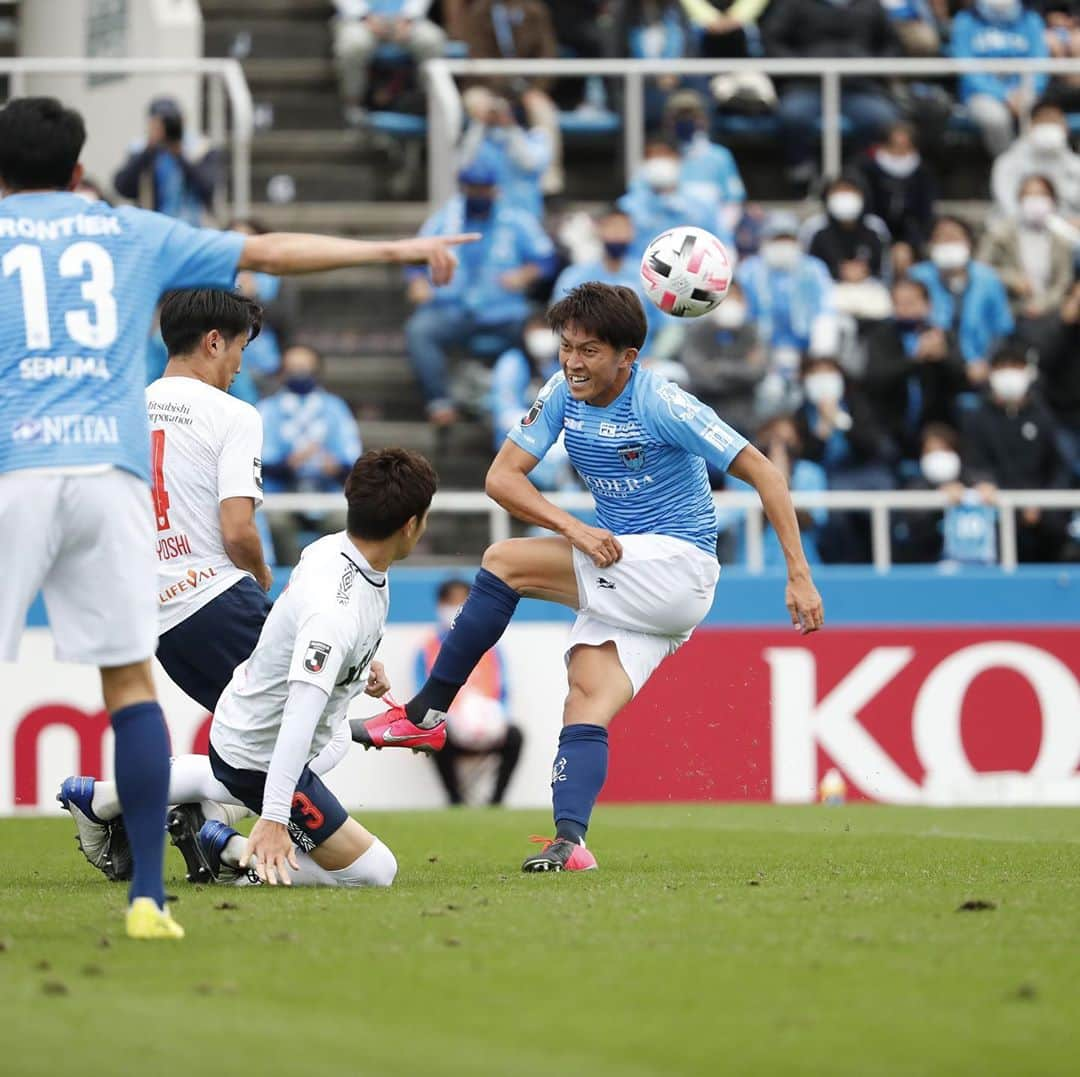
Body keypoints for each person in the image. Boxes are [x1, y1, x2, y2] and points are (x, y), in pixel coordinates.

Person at [0, 94, 474, 939]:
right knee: (231, 732)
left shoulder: (139, 397)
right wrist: (399, 246)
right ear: (78, 173)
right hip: (195, 580)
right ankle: (156, 863)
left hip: (60, 506)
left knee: (261, 737)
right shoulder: (130, 239)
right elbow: (272, 250)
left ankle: (150, 812)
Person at [354, 282, 824, 872]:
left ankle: (424, 715)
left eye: (590, 351)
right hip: (628, 572)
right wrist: (575, 529)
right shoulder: (561, 393)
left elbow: (764, 473)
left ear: (629, 357)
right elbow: (502, 479)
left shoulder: (663, 404)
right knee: (584, 699)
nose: (573, 362)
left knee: (504, 562)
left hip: (677, 566)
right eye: (566, 346)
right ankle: (570, 841)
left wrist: (798, 575)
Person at [174, 449, 440, 888]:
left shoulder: (334, 550)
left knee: (335, 738)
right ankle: (233, 857)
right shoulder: (335, 615)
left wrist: (359, 665)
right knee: (376, 871)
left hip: (250, 725)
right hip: (260, 755)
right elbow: (299, 712)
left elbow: (311, 629)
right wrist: (277, 818)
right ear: (410, 524)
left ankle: (105, 798)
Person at [405, 160, 556, 426]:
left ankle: (546, 398)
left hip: (505, 312)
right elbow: (415, 257)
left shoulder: (515, 219)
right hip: (452, 309)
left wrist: (525, 274)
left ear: (494, 189)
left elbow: (547, 259)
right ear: (463, 188)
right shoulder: (445, 220)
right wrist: (417, 282)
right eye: (473, 188)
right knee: (420, 330)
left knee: (540, 333)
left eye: (484, 188)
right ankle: (439, 402)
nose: (478, 194)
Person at [763, 0, 903, 186]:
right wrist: (801, 67)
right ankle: (802, 172)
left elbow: (891, 43)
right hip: (807, 85)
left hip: (859, 86)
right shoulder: (793, 4)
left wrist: (872, 67)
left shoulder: (870, 4)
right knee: (792, 115)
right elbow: (773, 40)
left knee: (882, 118)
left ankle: (858, 172)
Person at [418, 579, 525, 806]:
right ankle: (455, 800)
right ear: (440, 604)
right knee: (435, 738)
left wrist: (497, 716)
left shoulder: (490, 647)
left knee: (515, 735)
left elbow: (502, 689)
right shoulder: (428, 648)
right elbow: (423, 689)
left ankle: (496, 801)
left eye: (462, 600)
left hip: (487, 719)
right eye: (451, 600)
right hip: (451, 723)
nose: (456, 606)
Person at [961, 345, 1072, 562]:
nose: (1009, 374)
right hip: (997, 515)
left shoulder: (1044, 416)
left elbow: (1060, 467)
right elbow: (973, 464)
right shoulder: (977, 418)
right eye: (1003, 367)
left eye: (1016, 367)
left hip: (1045, 520)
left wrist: (1042, 503)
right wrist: (983, 483)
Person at [259, 345, 363, 566]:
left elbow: (351, 458)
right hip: (281, 496)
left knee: (346, 521)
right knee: (276, 523)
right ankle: (287, 583)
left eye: (305, 368)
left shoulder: (335, 408)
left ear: (316, 371)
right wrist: (289, 465)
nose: (299, 374)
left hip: (327, 494)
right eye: (293, 368)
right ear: (282, 372)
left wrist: (335, 468)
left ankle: (335, 583)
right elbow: (259, 461)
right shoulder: (267, 409)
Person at [862, 277, 968, 465]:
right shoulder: (881, 335)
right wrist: (915, 359)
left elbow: (962, 382)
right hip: (892, 428)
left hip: (933, 428)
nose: (904, 308)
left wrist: (943, 358)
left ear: (927, 304)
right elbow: (876, 378)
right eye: (899, 303)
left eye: (911, 302)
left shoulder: (942, 336)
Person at [909, 215, 1014, 384]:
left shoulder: (988, 278)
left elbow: (1001, 329)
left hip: (979, 365)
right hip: (931, 363)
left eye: (954, 238)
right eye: (941, 238)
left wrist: (986, 362)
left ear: (969, 243)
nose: (948, 243)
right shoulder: (917, 276)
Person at [977, 174, 1075, 351]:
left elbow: (1063, 281)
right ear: (1019, 199)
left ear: (1052, 200)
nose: (1036, 201)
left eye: (1042, 194)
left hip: (1050, 313)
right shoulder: (1000, 234)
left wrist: (1043, 305)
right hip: (1009, 310)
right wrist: (1011, 279)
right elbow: (980, 268)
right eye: (1029, 195)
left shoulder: (1062, 240)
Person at [951, 0, 1049, 158]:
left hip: (1025, 90)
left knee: (1042, 117)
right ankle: (1009, 169)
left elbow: (1040, 63)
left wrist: (1026, 91)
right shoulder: (965, 20)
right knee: (995, 119)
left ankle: (1039, 176)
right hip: (981, 94)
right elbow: (966, 68)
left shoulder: (1031, 19)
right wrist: (1003, 94)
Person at [892, 423, 999, 564]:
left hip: (979, 564)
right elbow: (914, 524)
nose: (938, 456)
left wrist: (980, 491)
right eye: (931, 451)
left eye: (942, 449)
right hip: (930, 561)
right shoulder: (916, 486)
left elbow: (991, 494)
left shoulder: (972, 479)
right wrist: (939, 498)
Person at [737, 211, 836, 363]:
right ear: (764, 240)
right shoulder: (749, 271)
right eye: (777, 239)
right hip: (760, 350)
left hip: (806, 351)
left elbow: (826, 306)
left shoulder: (814, 269)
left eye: (787, 239)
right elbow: (741, 310)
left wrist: (821, 344)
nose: (782, 245)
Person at [331, 1, 447, 127]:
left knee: (431, 40)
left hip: (408, 19)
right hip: (357, 20)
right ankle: (353, 104)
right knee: (353, 45)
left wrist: (408, 18)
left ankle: (429, 103)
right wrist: (364, 17)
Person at [112, 97, 217, 226]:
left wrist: (179, 154)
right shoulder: (140, 150)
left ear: (183, 121)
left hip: (192, 229)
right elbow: (123, 188)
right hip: (153, 229)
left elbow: (208, 189)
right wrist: (149, 150)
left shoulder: (200, 148)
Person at [680, 280, 767, 435]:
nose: (729, 302)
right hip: (705, 415)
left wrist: (716, 368)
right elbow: (699, 376)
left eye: (735, 297)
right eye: (724, 297)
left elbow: (757, 372)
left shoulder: (753, 332)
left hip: (745, 415)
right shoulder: (697, 331)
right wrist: (740, 371)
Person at [805, 175, 892, 322]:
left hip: (868, 287)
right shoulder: (814, 228)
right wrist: (838, 271)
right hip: (828, 288)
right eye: (838, 192)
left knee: (882, 306)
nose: (845, 196)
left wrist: (865, 273)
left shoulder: (875, 227)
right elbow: (807, 266)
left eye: (850, 191)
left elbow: (885, 270)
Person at [663, 89, 746, 242]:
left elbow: (733, 203)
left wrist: (714, 236)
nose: (684, 120)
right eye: (679, 116)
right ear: (669, 121)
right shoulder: (659, 155)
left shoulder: (719, 157)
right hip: (668, 244)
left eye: (690, 115)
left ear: (702, 119)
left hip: (710, 242)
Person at [457, 87, 552, 220]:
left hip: (526, 216)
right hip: (487, 218)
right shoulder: (482, 139)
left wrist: (510, 126)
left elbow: (529, 164)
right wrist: (480, 123)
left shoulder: (538, 137)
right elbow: (463, 166)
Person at [856, 122, 937, 275]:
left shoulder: (923, 174)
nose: (899, 151)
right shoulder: (867, 170)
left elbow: (925, 215)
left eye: (904, 146)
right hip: (874, 235)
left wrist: (910, 244)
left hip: (910, 238)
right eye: (894, 145)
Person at [616, 140, 716, 262]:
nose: (659, 161)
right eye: (653, 156)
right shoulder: (628, 206)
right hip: (639, 273)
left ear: (677, 158)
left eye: (665, 155)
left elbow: (718, 246)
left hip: (690, 273)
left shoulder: (701, 204)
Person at [991, 100, 1080, 219]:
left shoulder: (1075, 165)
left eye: (1054, 121)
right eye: (1044, 120)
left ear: (1065, 127)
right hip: (1017, 228)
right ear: (1030, 126)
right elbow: (1006, 203)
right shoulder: (1006, 163)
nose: (1049, 126)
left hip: (1066, 228)